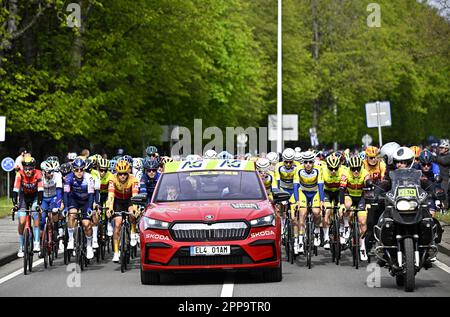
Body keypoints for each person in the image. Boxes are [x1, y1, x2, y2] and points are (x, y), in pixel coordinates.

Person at [339, 155, 371, 261]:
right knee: (347, 205)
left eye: (358, 168)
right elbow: (342, 190)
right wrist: (342, 204)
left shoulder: (365, 172)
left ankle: (362, 248)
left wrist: (368, 183)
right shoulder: (345, 174)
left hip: (361, 198)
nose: (356, 171)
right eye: (353, 169)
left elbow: (367, 180)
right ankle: (347, 226)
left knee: (363, 222)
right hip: (349, 196)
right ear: (350, 168)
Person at [107, 160, 139, 263]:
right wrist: (110, 208)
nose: (122, 176)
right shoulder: (112, 179)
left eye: (125, 174)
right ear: (117, 173)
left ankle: (133, 231)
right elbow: (111, 195)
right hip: (118, 201)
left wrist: (135, 209)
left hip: (130, 200)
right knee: (118, 224)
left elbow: (135, 196)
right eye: (120, 174)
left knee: (132, 213)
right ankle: (116, 252)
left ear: (128, 172)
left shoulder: (133, 179)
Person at [292, 151, 325, 254]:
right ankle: (301, 240)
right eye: (305, 162)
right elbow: (295, 186)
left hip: (315, 192)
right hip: (302, 192)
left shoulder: (318, 169)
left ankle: (316, 231)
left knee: (316, 212)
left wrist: (322, 201)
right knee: (302, 213)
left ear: (313, 162)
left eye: (310, 162)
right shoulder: (298, 169)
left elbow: (320, 186)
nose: (308, 165)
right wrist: (297, 201)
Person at [63, 158, 95, 260]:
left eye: (81, 169)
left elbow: (91, 195)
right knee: (72, 215)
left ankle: (89, 245)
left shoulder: (89, 178)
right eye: (77, 170)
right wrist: (66, 207)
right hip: (74, 200)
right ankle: (71, 240)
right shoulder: (68, 178)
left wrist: (89, 207)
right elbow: (66, 194)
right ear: (73, 170)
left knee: (87, 224)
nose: (79, 172)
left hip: (86, 201)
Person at [12, 157, 43, 257]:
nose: (28, 171)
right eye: (26, 168)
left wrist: (39, 204)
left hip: (35, 197)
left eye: (30, 168)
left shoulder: (38, 173)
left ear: (34, 168)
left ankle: (37, 242)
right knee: (21, 221)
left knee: (35, 214)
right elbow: (15, 191)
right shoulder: (19, 174)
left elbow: (40, 191)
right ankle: (21, 246)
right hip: (23, 197)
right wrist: (15, 205)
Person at [321, 153, 347, 250]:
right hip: (327, 192)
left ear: (339, 166)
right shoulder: (323, 171)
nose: (333, 171)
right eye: (330, 168)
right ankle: (326, 237)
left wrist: (341, 204)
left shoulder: (343, 171)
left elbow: (342, 189)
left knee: (341, 211)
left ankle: (341, 232)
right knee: (327, 211)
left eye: (335, 168)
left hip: (338, 192)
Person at [434, 139, 450, 208]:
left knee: (444, 193)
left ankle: (445, 208)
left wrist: (434, 157)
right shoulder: (439, 156)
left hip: (446, 178)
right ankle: (437, 207)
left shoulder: (448, 156)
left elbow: (443, 161)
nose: (440, 149)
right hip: (438, 177)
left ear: (446, 149)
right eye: (440, 147)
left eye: (442, 148)